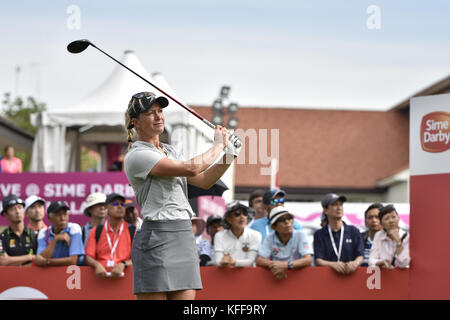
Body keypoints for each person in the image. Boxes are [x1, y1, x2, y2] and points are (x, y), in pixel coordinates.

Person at [123, 91, 241, 300]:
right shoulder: (137, 155)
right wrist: (219, 145)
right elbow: (191, 169)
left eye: (160, 111)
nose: (159, 116)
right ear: (136, 122)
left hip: (183, 234)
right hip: (155, 237)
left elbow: (204, 180)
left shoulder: (171, 151)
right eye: (151, 113)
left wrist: (229, 153)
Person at [313, 193, 364, 275]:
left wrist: (355, 263)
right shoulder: (319, 234)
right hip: (328, 278)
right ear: (326, 210)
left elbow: (360, 256)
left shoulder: (354, 231)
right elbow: (318, 260)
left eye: (341, 205)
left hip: (351, 277)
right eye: (334, 205)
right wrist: (333, 264)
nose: (339, 208)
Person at [85, 193, 134, 277]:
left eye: (122, 204)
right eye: (115, 204)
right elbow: (88, 257)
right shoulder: (96, 230)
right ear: (106, 209)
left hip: (126, 278)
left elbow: (138, 258)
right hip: (99, 278)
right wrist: (96, 265)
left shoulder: (132, 230)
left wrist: (124, 264)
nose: (120, 206)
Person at [256, 207, 313, 279]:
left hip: (299, 278)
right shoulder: (270, 238)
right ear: (274, 227)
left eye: (289, 218)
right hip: (276, 276)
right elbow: (259, 260)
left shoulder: (301, 235)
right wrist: (277, 266)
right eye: (282, 220)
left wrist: (286, 265)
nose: (287, 222)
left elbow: (308, 260)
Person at [34, 201, 85, 267]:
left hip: (71, 274)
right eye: (58, 215)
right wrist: (55, 240)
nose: (63, 218)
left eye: (65, 214)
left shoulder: (74, 228)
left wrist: (47, 262)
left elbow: (73, 261)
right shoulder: (43, 232)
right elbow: (40, 259)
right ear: (49, 218)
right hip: (49, 273)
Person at [214, 201, 262, 268]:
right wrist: (223, 262)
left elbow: (251, 260)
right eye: (237, 214)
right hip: (226, 275)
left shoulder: (255, 235)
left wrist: (234, 262)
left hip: (249, 276)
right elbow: (218, 261)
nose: (242, 217)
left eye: (244, 213)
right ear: (229, 219)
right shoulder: (219, 236)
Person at [369, 204, 410, 269]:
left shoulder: (407, 237)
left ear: (398, 218)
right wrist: (382, 262)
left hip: (402, 277)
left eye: (393, 217)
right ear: (381, 223)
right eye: (386, 218)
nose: (391, 221)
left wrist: (398, 241)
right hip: (384, 276)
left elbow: (403, 264)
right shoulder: (379, 235)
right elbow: (371, 261)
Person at [0, 195, 37, 266]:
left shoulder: (34, 234)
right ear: (5, 214)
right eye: (12, 209)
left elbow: (39, 259)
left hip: (32, 275)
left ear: (24, 211)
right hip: (10, 276)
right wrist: (29, 257)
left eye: (20, 208)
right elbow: (3, 261)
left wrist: (12, 261)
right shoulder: (1, 237)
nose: (17, 211)